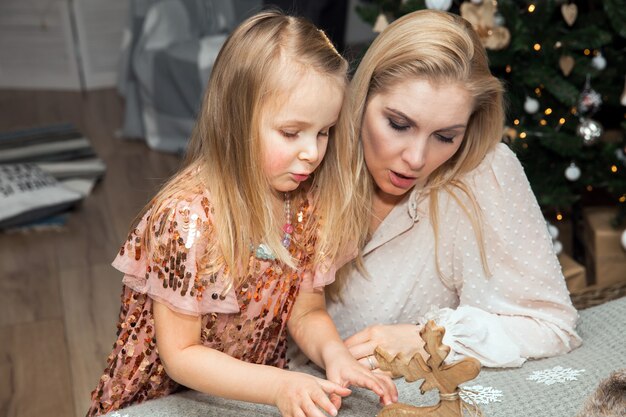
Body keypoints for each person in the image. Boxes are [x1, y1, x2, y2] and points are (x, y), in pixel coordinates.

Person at [87, 11, 396, 417]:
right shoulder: (187, 218)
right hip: (165, 400)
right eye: (291, 132)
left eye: (324, 132)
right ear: (236, 119)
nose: (313, 152)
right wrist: (280, 385)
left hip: (254, 393)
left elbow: (306, 310)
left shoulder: (305, 201)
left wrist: (335, 354)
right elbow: (181, 354)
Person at [326, 9, 582, 370]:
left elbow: (551, 325)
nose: (416, 158)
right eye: (398, 124)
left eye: (445, 136)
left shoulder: (483, 172)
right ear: (361, 98)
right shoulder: (310, 151)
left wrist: (431, 338)